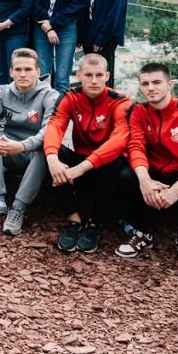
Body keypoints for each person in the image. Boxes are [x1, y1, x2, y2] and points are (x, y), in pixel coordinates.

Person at [115, 63, 178, 271]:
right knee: (125, 176)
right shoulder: (139, 111)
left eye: (156, 82)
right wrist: (145, 181)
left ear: (169, 84)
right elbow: (136, 147)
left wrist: (176, 190)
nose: (151, 88)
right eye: (145, 83)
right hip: (152, 172)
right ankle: (142, 233)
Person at [43, 54, 130, 253]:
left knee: (114, 158)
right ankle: (73, 219)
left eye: (99, 75)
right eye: (88, 75)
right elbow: (55, 125)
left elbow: (120, 138)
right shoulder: (70, 96)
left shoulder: (120, 101)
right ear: (79, 75)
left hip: (104, 168)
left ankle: (95, 224)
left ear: (107, 76)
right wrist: (52, 159)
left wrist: (81, 168)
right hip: (79, 162)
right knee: (49, 153)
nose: (94, 80)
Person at [0, 48, 59, 236]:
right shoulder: (2, 92)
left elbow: (49, 131)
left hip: (31, 152)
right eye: (18, 69)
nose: (23, 74)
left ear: (38, 71)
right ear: (11, 71)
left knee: (46, 149)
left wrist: (22, 146)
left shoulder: (50, 96)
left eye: (28, 69)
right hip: (8, 148)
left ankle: (18, 208)